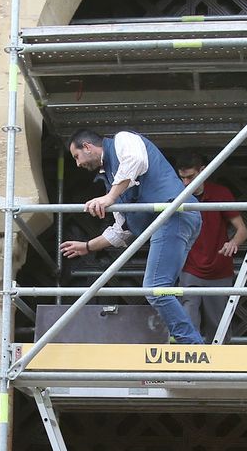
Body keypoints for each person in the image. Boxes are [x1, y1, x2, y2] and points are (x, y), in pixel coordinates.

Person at [58, 129, 204, 344]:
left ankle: (191, 344)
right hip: (174, 219)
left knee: (156, 288)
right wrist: (87, 247)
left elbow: (135, 160)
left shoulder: (123, 140)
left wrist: (110, 197)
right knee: (161, 290)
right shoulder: (113, 180)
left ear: (87, 147)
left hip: (173, 214)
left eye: (76, 156)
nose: (77, 164)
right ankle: (184, 340)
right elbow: (121, 230)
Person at [175, 153, 247, 340]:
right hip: (188, 269)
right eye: (182, 177)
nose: (185, 183)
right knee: (188, 324)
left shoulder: (220, 193)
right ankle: (189, 369)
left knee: (219, 328)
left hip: (219, 270)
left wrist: (233, 243)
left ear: (203, 171)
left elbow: (242, 230)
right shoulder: (177, 194)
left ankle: (218, 369)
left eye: (190, 177)